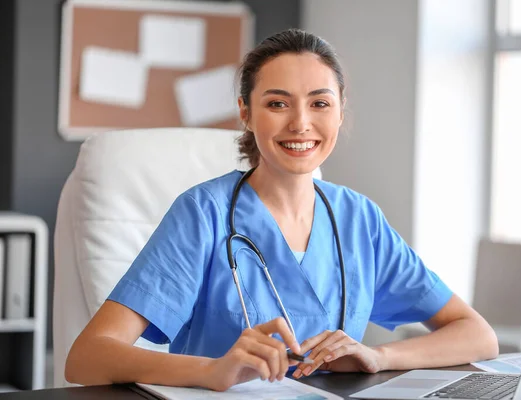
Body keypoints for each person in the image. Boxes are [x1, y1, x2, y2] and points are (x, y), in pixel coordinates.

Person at [65, 28, 498, 391]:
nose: (300, 123)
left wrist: (378, 355)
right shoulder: (203, 214)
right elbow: (86, 358)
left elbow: (477, 335)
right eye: (277, 103)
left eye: (320, 103)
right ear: (246, 113)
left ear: (340, 112)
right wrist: (212, 371)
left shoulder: (359, 219)